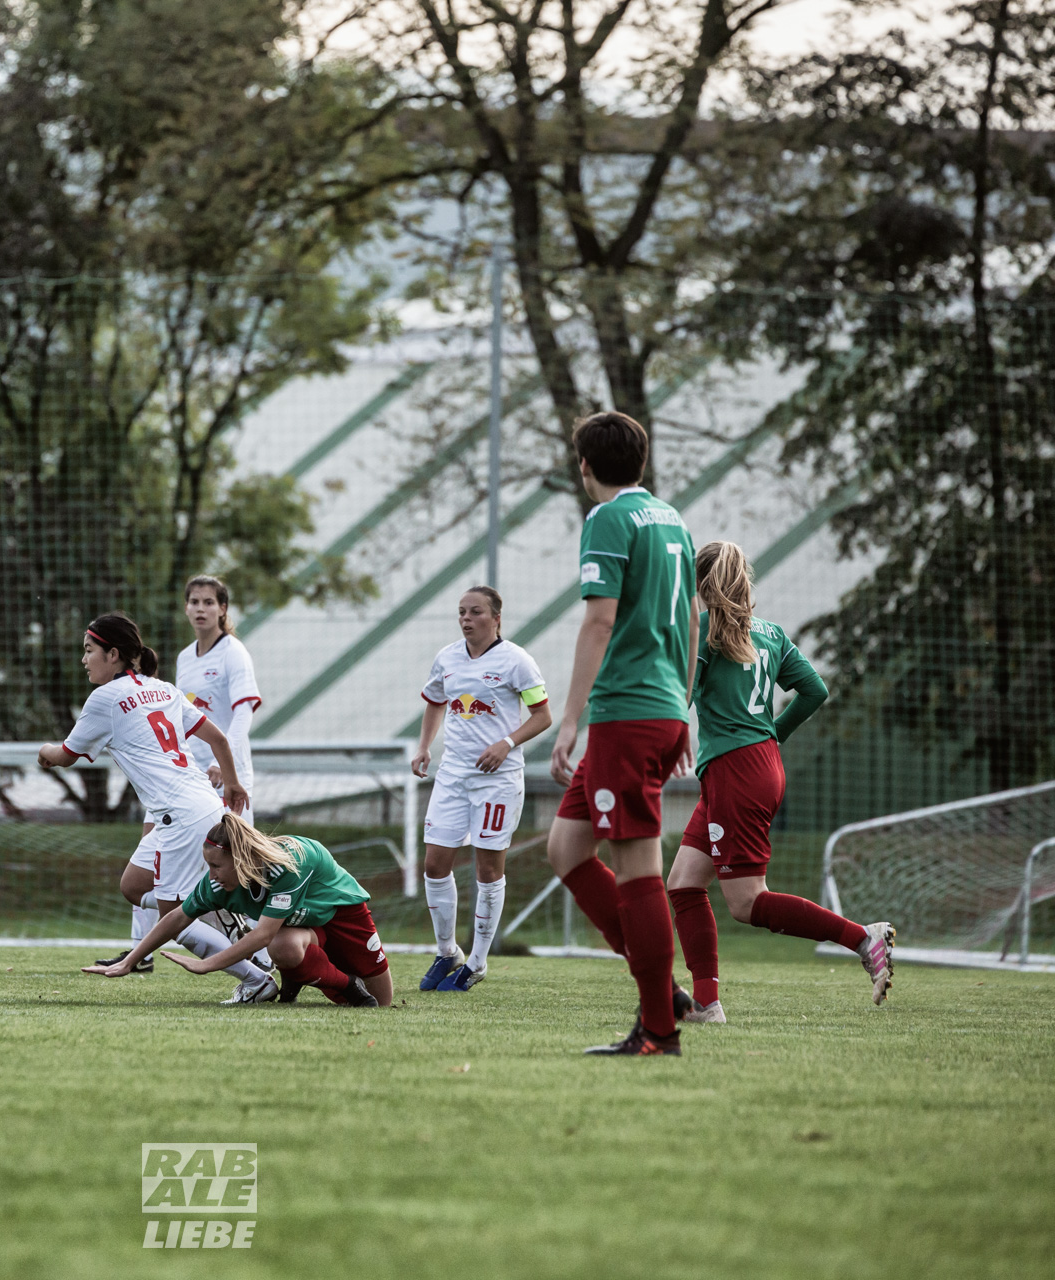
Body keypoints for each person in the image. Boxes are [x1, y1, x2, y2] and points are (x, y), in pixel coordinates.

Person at [667, 541, 894, 1017]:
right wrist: (773, 737)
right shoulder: (770, 632)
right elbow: (815, 690)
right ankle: (706, 1003)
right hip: (754, 766)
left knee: (748, 903)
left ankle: (861, 939)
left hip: (736, 772)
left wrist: (663, 742)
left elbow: (680, 693)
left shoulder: (704, 629)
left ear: (702, 585)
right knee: (684, 884)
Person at [547, 412, 697, 1056]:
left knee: (637, 863)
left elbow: (600, 622)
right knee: (565, 848)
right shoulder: (672, 519)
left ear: (585, 467)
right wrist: (681, 707)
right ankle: (664, 992)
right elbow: (692, 618)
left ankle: (659, 1027)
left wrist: (571, 718)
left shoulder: (606, 520)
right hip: (657, 709)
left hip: (626, 713)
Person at [39, 613, 277, 1004]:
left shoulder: (104, 699)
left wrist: (43, 753)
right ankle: (212, 908)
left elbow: (65, 755)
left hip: (181, 816)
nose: (84, 660)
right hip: (199, 804)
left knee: (176, 921)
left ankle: (256, 980)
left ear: (112, 654)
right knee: (133, 887)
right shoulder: (162, 689)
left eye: (88, 650)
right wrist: (232, 783)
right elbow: (217, 737)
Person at [87, 813, 392, 1008]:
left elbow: (262, 934)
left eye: (216, 866)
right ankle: (345, 984)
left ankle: (295, 976)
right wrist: (130, 961)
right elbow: (177, 917)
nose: (211, 874)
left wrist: (208, 964)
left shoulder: (287, 867)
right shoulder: (217, 884)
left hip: (342, 914)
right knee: (282, 948)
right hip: (305, 929)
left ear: (241, 860)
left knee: (383, 1001)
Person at [410, 586, 553, 992]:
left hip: (499, 778)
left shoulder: (517, 661)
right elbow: (436, 700)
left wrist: (506, 743)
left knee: (488, 869)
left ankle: (477, 962)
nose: (466, 619)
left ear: (496, 619)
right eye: (461, 612)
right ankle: (446, 952)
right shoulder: (448, 657)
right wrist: (424, 747)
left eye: (475, 612)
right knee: (434, 864)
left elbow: (543, 715)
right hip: (453, 775)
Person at [171, 575, 268, 968]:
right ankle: (141, 945)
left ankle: (262, 949)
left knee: (239, 864)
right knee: (180, 860)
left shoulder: (233, 653)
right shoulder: (183, 657)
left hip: (228, 777)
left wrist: (223, 763)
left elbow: (244, 711)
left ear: (223, 609)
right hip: (191, 779)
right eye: (193, 601)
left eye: (209, 602)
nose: (200, 608)